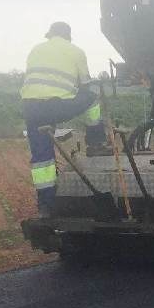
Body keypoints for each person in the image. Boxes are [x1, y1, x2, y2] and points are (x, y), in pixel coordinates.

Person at [19, 22, 108, 217]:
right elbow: (85, 84)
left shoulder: (36, 49)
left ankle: (46, 206)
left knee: (42, 159)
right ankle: (96, 142)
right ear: (68, 36)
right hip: (57, 105)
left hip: (31, 108)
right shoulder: (76, 51)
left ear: (50, 35)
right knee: (92, 97)